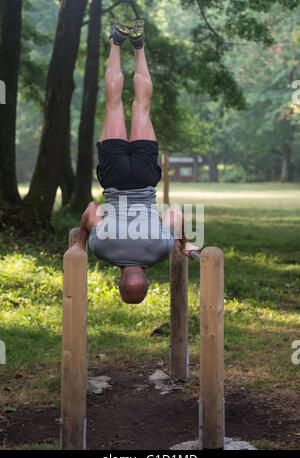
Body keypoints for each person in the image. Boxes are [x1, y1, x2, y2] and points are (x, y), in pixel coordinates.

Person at [74, 19, 199, 304]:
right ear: (119, 282)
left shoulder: (159, 251)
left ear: (147, 280)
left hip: (143, 179)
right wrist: (81, 242)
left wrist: (185, 241)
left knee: (142, 105)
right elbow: (92, 210)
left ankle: (139, 44)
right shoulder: (102, 249)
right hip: (115, 178)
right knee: (114, 101)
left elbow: (176, 212)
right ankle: (116, 41)